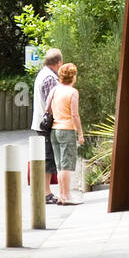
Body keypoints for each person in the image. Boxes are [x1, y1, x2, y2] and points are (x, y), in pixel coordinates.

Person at [50, 62, 85, 205]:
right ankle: (66, 196)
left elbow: (50, 109)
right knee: (66, 165)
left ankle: (62, 194)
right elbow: (75, 115)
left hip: (55, 130)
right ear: (73, 77)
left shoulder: (56, 90)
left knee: (59, 165)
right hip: (67, 130)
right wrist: (80, 134)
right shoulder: (72, 92)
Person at [31, 48, 62, 205]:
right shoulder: (50, 78)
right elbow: (52, 104)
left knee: (47, 156)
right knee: (49, 157)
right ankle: (46, 193)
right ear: (59, 63)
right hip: (47, 124)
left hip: (40, 122)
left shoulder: (43, 73)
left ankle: (45, 192)